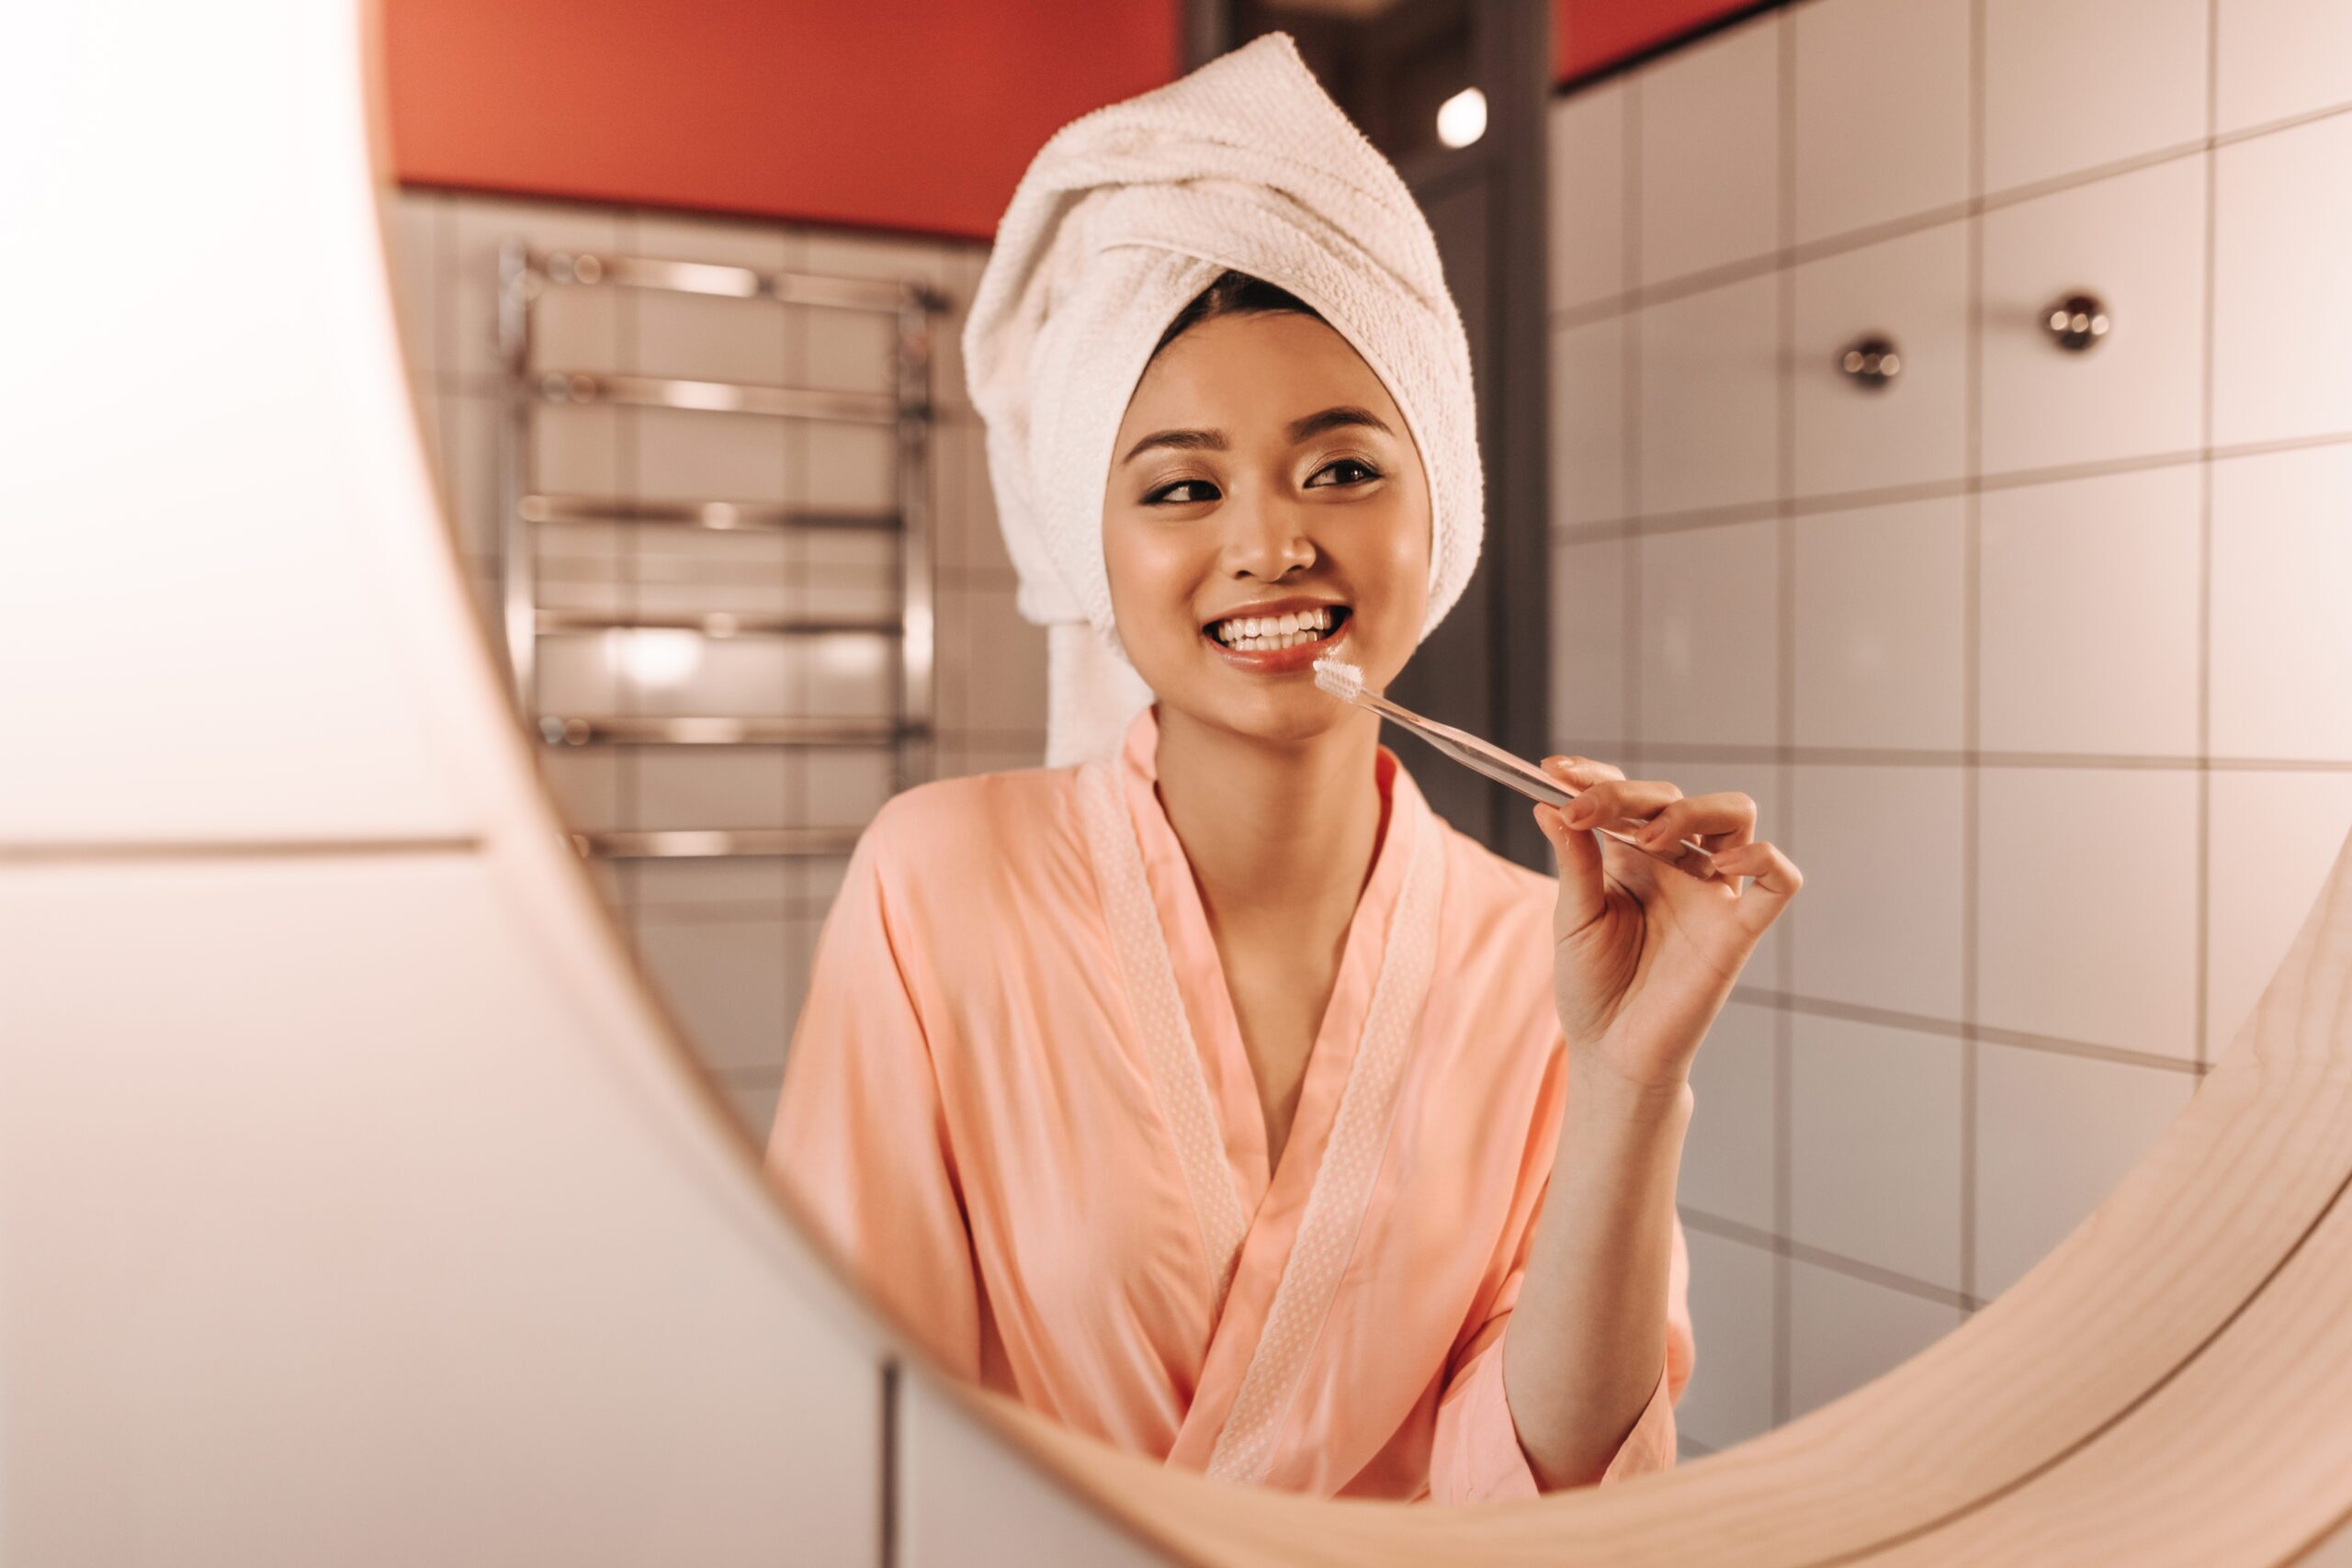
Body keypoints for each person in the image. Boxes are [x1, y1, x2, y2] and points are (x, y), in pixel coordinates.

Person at [766, 34, 1802, 1503]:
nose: (1270, 544)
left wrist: (1632, 1079)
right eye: (1185, 487)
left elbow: (1555, 1479)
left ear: (1439, 506)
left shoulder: (1545, 954)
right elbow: (846, 1420)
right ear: (1090, 544)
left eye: (1343, 468)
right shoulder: (940, 881)